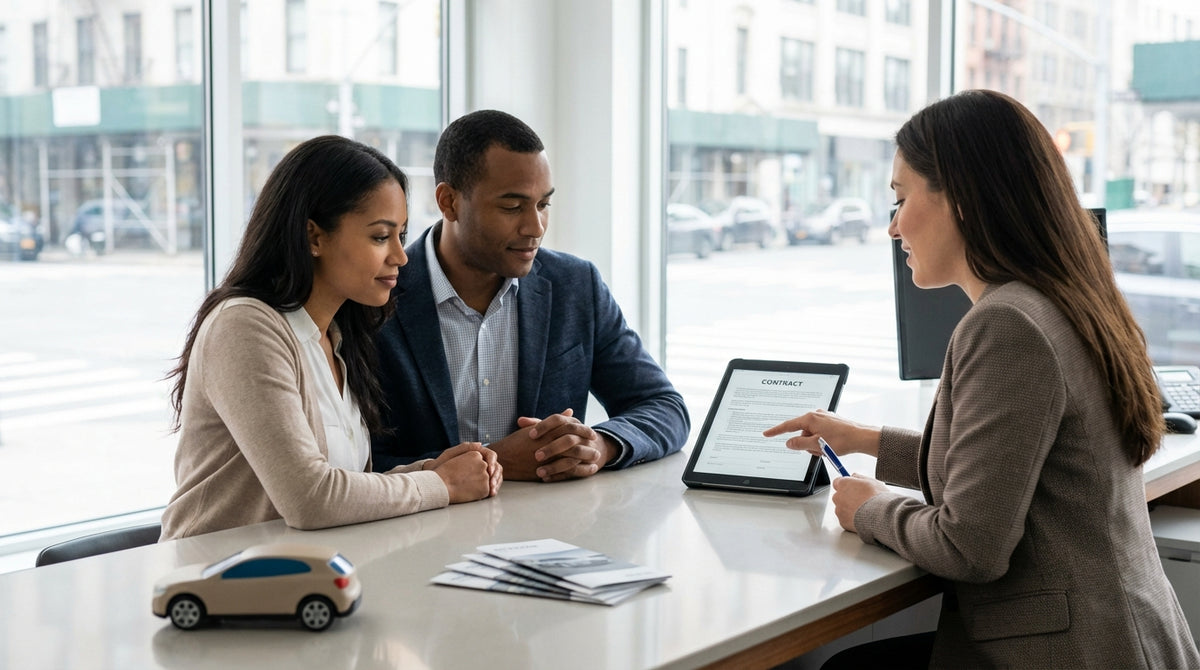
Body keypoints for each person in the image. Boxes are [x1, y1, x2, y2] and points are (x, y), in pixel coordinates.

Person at [765, 90, 1200, 668]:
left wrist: (869, 507)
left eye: (900, 198)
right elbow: (1005, 467)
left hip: (1072, 651)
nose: (893, 227)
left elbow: (970, 547)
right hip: (1119, 634)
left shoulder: (1006, 324)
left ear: (962, 200)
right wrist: (867, 441)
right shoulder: (1062, 299)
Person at [161, 135, 501, 540]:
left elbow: (347, 483)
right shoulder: (245, 327)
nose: (400, 255)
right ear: (314, 237)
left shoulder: (338, 339)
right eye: (380, 236)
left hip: (303, 581)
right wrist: (443, 485)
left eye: (401, 234)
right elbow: (312, 498)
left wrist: (433, 470)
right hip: (215, 585)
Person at [372, 110, 689, 481]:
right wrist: (494, 461)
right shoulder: (378, 292)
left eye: (543, 204)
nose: (535, 227)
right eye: (512, 207)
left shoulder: (575, 286)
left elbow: (665, 407)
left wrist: (600, 445)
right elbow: (356, 462)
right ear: (449, 202)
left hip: (553, 531)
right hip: (421, 530)